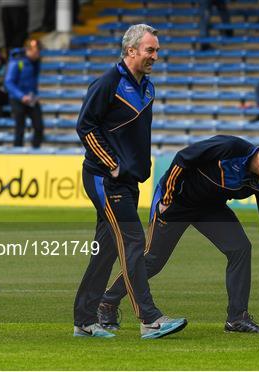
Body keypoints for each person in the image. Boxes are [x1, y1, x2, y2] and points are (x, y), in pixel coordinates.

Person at [97, 136, 259, 334]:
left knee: (240, 248)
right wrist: (167, 197)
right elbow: (183, 158)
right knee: (153, 260)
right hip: (176, 202)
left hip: (210, 209)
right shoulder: (229, 148)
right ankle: (106, 302)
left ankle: (237, 318)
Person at [74, 24, 187, 339]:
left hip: (129, 181)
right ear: (130, 51)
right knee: (134, 241)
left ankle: (84, 320)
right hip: (104, 179)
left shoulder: (148, 88)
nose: (155, 56)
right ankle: (149, 318)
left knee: (107, 251)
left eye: (157, 50)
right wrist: (111, 165)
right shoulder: (108, 83)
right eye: (150, 50)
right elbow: (85, 126)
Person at [4, 40, 44, 148]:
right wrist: (21, 96)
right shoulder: (17, 62)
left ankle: (36, 149)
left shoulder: (36, 62)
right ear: (28, 50)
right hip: (17, 99)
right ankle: (18, 151)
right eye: (36, 52)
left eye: (38, 52)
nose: (38, 55)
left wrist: (34, 94)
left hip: (31, 98)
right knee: (20, 128)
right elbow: (8, 82)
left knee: (39, 125)